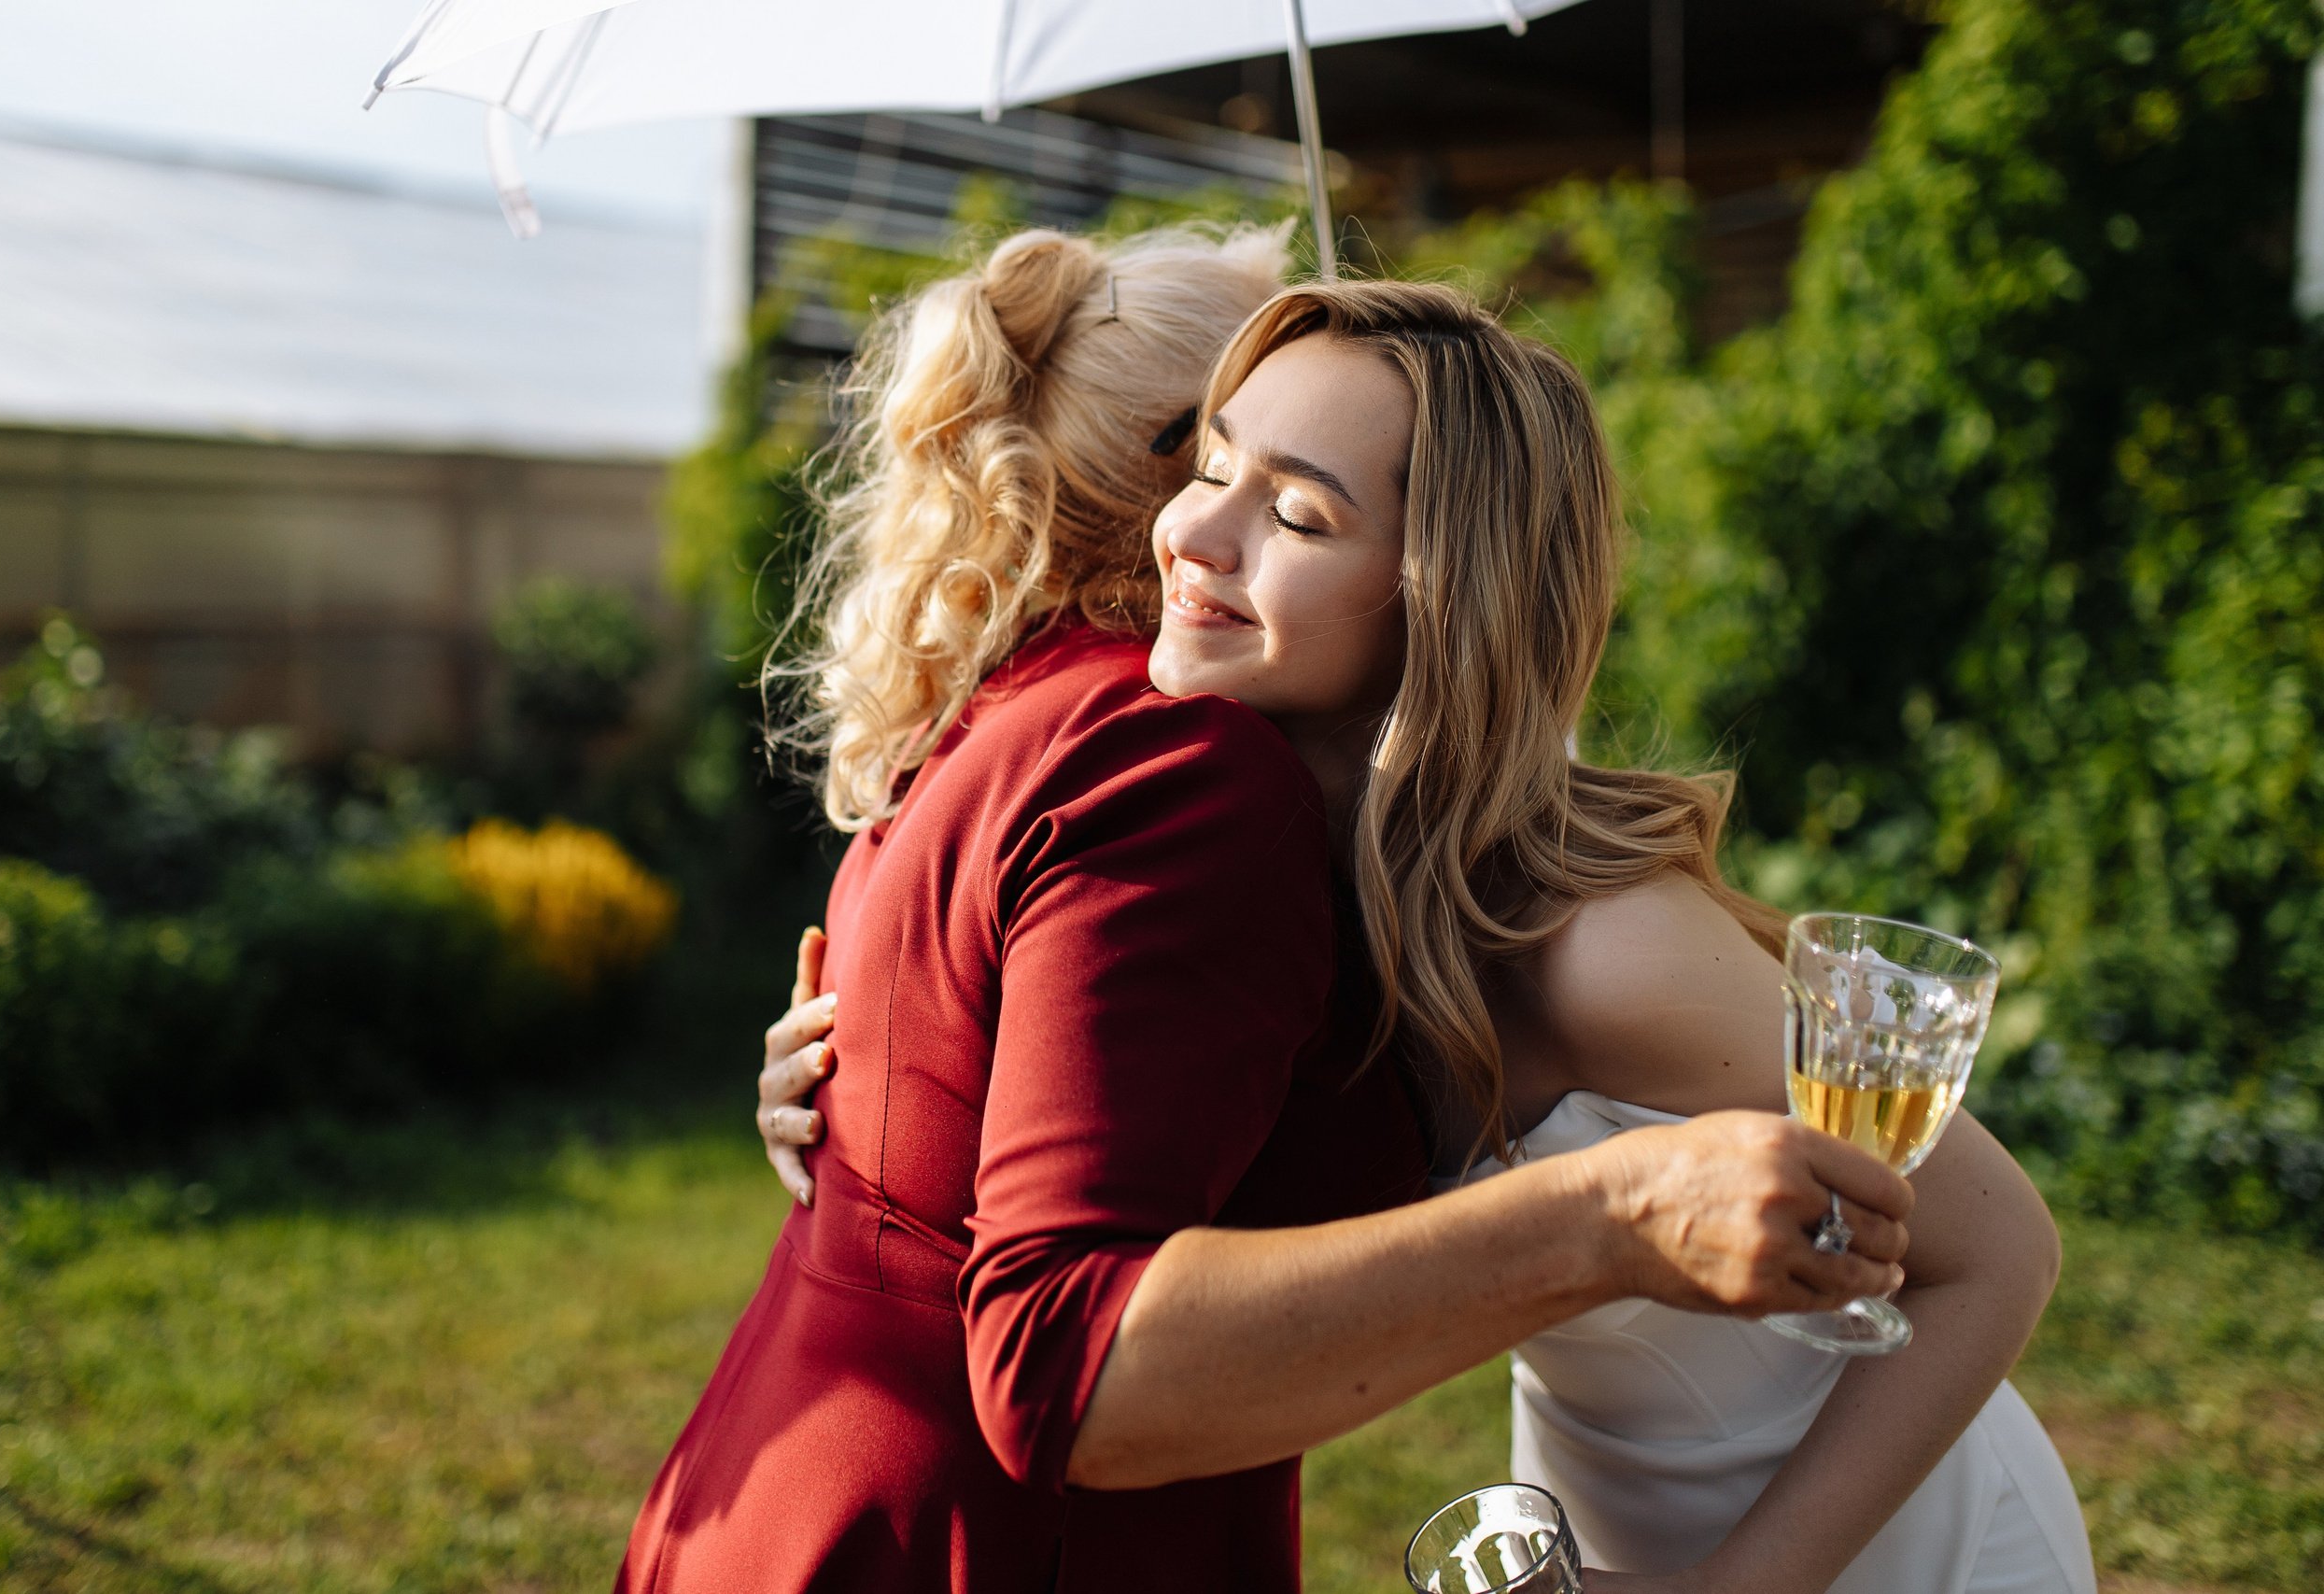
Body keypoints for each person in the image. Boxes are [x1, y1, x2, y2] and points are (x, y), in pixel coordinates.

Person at [760, 275, 2094, 1592]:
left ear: (1440, 595)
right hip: (1602, 1510)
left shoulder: (1603, 945)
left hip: (1868, 1535)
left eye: (1292, 510)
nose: (1191, 535)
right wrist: (847, 1093)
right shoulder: (1248, 867)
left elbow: (1999, 1252)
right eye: (1208, 464)